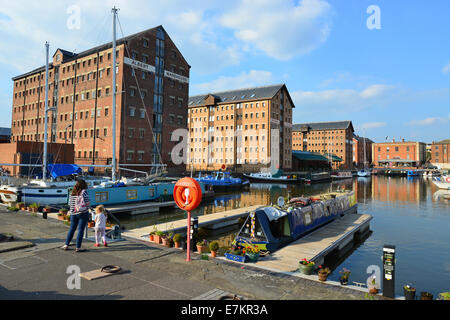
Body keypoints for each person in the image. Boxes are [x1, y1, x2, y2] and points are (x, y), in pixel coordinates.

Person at [62, 179, 91, 252]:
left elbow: (69, 204)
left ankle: (66, 245)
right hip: (82, 213)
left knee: (72, 229)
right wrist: (87, 208)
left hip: (73, 214)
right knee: (80, 230)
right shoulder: (84, 192)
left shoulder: (72, 192)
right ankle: (78, 247)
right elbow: (87, 203)